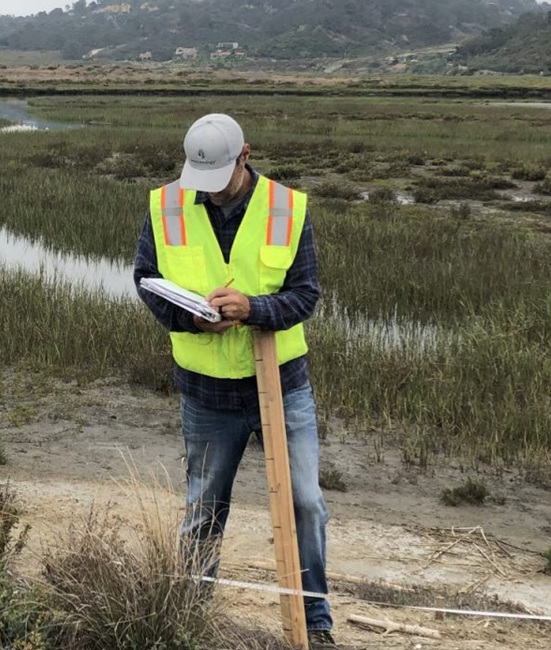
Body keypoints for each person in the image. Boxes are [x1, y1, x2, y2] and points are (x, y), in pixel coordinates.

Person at [133, 113, 334, 648]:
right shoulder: (167, 204)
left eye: (221, 179)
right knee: (203, 509)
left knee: (306, 503)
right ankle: (187, 613)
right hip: (206, 392)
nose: (211, 193)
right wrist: (192, 317)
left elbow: (306, 294)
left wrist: (254, 308)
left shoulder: (289, 209)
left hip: (282, 387)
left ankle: (316, 625)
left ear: (245, 156)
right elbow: (147, 281)